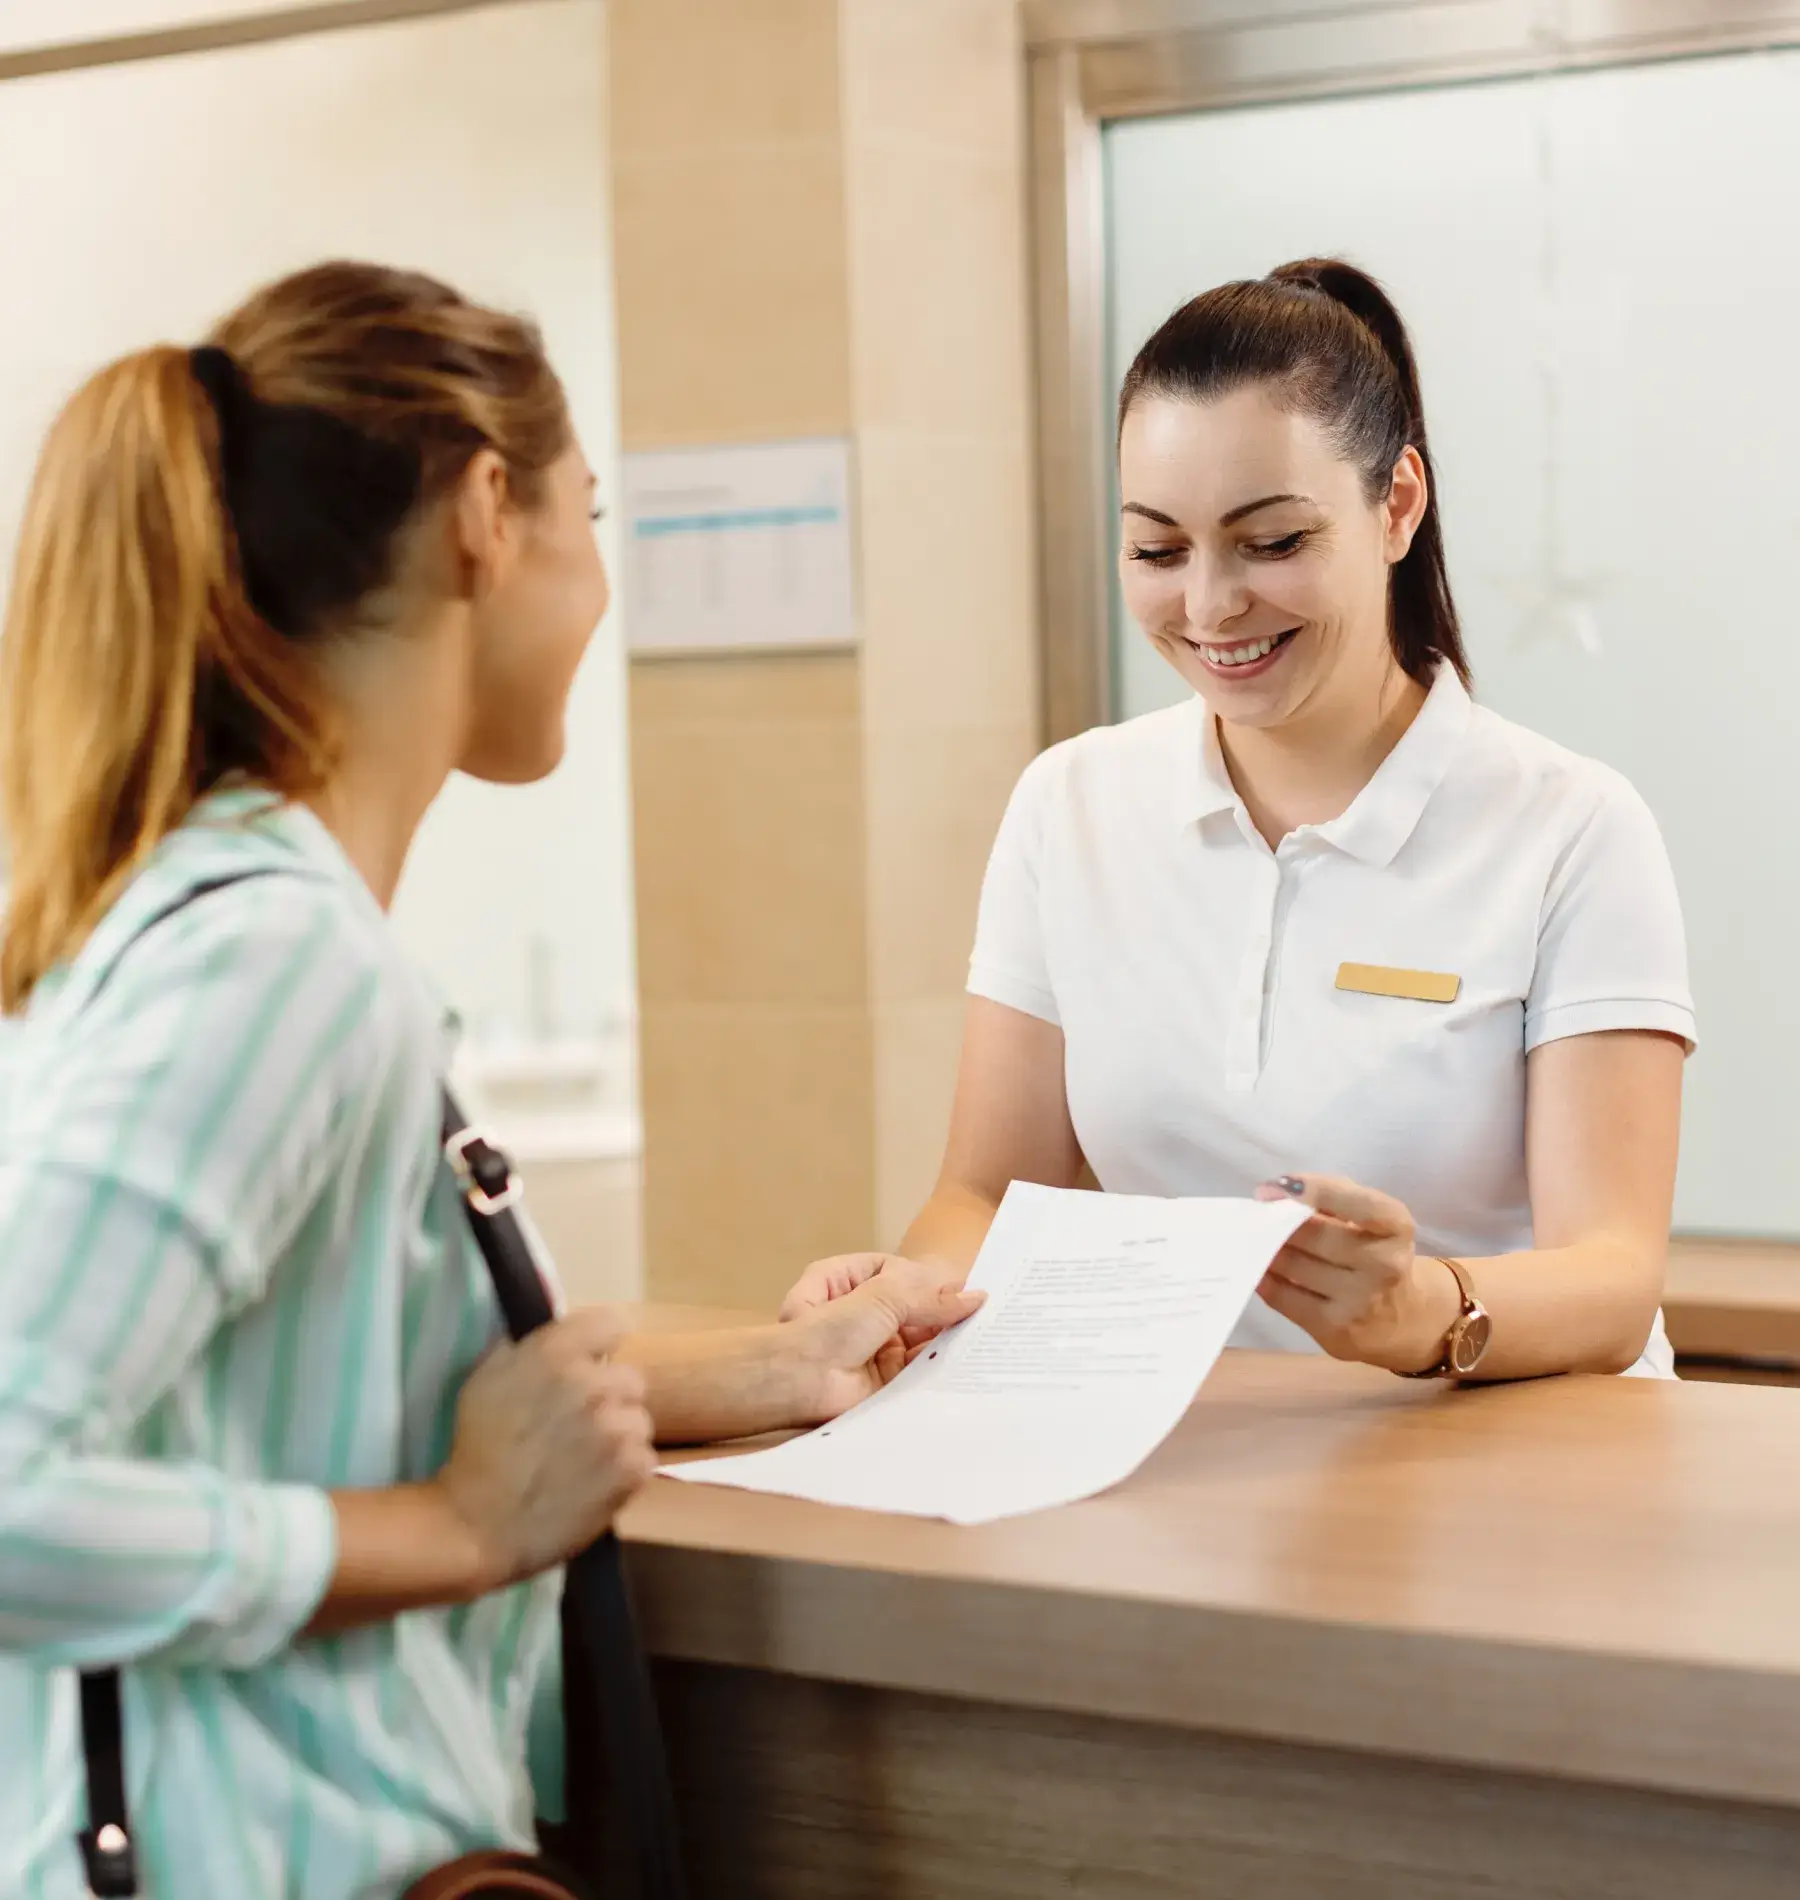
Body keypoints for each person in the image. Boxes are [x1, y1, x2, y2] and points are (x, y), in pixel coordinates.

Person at [0, 261, 979, 1900]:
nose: (602, 582)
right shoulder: (277, 963)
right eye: (587, 516)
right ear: (481, 514)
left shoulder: (224, 909)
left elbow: (288, 1396)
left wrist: (763, 1371)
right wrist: (458, 1532)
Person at [785, 258, 1693, 1384]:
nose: (1210, 606)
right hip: (1196, 1461)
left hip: (1522, 1461)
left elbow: (1612, 1275)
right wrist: (903, 1299)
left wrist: (1427, 1311)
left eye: (1272, 543)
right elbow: (988, 1194)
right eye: (1158, 550)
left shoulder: (1571, 829)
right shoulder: (1069, 807)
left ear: (1396, 504)